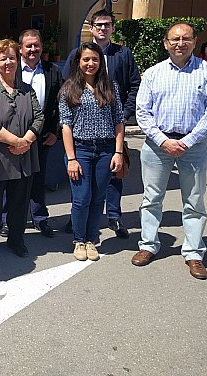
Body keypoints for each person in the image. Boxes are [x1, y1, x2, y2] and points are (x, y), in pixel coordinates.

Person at [133, 21, 207, 280]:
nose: (179, 43)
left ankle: (194, 253)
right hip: (157, 145)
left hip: (193, 146)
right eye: (174, 39)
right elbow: (142, 112)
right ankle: (148, 245)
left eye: (185, 38)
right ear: (166, 43)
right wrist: (163, 141)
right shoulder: (153, 73)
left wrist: (188, 141)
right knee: (151, 198)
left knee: (194, 201)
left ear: (194, 42)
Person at [64, 9, 140, 238]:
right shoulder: (76, 55)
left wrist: (123, 115)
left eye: (107, 24)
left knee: (112, 178)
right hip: (83, 141)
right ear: (92, 27)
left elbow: (134, 85)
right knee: (83, 192)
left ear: (113, 27)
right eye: (99, 24)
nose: (103, 28)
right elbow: (68, 84)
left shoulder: (123, 54)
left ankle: (114, 217)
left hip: (112, 131)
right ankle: (80, 226)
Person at [0, 39, 44, 258]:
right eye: (3, 58)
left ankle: (16, 240)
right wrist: (16, 142)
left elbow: (39, 117)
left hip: (23, 157)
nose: (8, 62)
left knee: (19, 203)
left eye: (12, 58)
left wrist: (27, 141)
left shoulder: (27, 90)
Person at [59, 42, 125, 261]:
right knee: (81, 198)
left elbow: (119, 121)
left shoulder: (110, 86)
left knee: (98, 198)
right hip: (80, 150)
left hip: (106, 150)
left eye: (95, 59)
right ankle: (78, 240)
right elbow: (66, 125)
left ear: (101, 62)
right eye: (86, 59)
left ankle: (90, 239)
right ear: (78, 62)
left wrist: (118, 152)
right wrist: (71, 158)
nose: (90, 63)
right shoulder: (69, 89)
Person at [15, 29, 63, 237]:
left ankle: (40, 218)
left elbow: (61, 104)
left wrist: (56, 132)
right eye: (28, 46)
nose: (33, 49)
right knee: (14, 178)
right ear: (20, 49)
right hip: (16, 136)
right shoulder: (12, 69)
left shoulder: (52, 71)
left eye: (36, 45)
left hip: (43, 136)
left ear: (42, 47)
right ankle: (10, 219)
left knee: (38, 178)